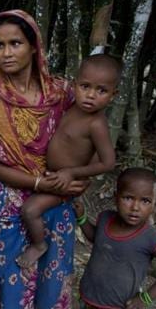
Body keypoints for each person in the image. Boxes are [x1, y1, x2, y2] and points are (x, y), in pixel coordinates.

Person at [0, 10, 88, 309]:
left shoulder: (64, 94)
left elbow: (88, 138)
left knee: (54, 278)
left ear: (34, 47)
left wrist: (80, 179)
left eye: (15, 43)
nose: (7, 53)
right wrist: (38, 182)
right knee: (11, 278)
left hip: (57, 201)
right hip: (10, 206)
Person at [17, 54, 119, 268]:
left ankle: (39, 245)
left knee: (30, 210)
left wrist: (72, 173)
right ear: (74, 85)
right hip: (52, 176)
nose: (91, 95)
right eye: (85, 86)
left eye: (101, 90)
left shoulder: (96, 124)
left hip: (63, 185)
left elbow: (108, 162)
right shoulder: (71, 107)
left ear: (113, 95)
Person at [75, 168, 156, 309]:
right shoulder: (105, 218)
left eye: (145, 201)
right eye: (128, 198)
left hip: (120, 308)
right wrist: (82, 218)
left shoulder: (151, 238)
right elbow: (97, 238)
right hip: (89, 298)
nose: (135, 207)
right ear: (116, 196)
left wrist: (145, 298)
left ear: (155, 205)